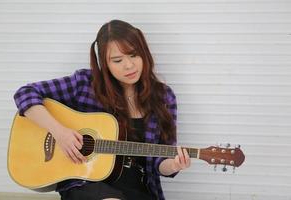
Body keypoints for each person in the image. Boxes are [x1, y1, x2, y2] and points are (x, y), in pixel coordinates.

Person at [13, 19, 191, 200]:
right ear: (104, 64)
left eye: (134, 55)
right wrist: (60, 133)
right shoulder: (84, 84)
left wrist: (175, 165)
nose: (129, 65)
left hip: (137, 184)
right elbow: (25, 93)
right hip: (85, 181)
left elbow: (159, 160)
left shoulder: (163, 96)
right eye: (117, 60)